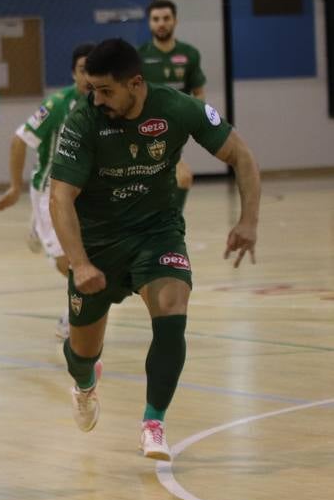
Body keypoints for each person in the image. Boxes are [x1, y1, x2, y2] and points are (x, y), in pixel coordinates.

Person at [49, 38, 259, 461]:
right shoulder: (83, 119)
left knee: (171, 307)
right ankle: (86, 382)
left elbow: (241, 155)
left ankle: (153, 421)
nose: (96, 98)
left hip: (156, 231)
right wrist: (80, 262)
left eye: (106, 90)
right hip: (99, 241)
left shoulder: (178, 108)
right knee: (82, 354)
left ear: (136, 83)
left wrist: (248, 220)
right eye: (91, 89)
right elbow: (60, 197)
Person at [0, 43, 95, 340]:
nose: (89, 77)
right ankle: (72, 315)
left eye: (94, 70)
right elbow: (19, 140)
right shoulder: (58, 105)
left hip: (88, 191)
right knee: (68, 263)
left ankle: (74, 312)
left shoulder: (107, 103)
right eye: (82, 70)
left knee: (90, 258)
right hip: (51, 191)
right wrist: (15, 186)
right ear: (73, 73)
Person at [139, 0, 206, 209]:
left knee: (177, 179)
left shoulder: (189, 54)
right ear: (149, 23)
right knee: (181, 177)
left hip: (175, 132)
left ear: (175, 21)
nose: (161, 23)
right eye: (156, 19)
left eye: (166, 18)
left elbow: (199, 93)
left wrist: (196, 122)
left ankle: (163, 229)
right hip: (144, 130)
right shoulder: (139, 56)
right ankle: (168, 230)